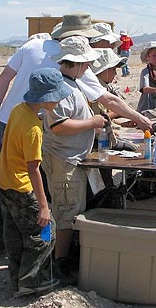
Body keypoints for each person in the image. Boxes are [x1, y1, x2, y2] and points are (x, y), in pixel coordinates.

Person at [0, 13, 152, 259]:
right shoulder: (75, 69)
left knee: (6, 184)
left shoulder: (33, 46)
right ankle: (43, 250)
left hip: (11, 120)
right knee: (43, 192)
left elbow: (5, 77)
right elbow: (105, 100)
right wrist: (138, 118)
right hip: (39, 132)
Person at [0, 68, 72, 296]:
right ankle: (31, 280)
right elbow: (33, 169)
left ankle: (17, 277)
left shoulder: (19, 111)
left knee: (15, 233)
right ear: (47, 97)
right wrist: (44, 206)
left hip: (3, 182)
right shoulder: (33, 129)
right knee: (45, 232)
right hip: (20, 186)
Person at [42, 36, 108, 276]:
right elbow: (59, 126)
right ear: (77, 63)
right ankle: (59, 264)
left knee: (67, 209)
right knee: (65, 212)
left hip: (69, 157)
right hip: (63, 158)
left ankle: (60, 258)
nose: (89, 67)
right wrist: (92, 122)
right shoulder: (61, 87)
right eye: (86, 63)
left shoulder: (70, 84)